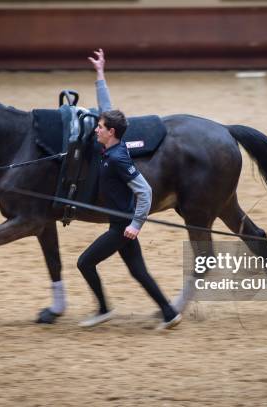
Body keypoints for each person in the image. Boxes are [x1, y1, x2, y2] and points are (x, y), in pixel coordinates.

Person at [76, 49, 182, 330]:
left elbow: (145, 192)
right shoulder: (108, 144)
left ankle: (103, 309)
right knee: (138, 271)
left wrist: (135, 224)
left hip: (120, 226)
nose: (96, 129)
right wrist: (100, 73)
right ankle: (170, 312)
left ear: (111, 132)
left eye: (100, 127)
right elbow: (106, 107)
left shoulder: (119, 158)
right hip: (120, 224)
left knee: (85, 263)